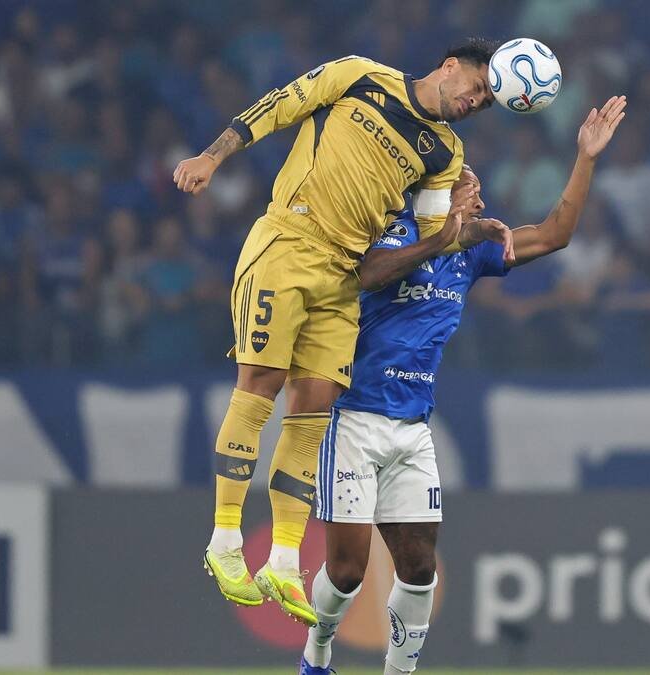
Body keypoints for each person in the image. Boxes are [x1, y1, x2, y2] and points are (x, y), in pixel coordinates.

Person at [173, 39, 507, 625]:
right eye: (476, 86)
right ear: (449, 65)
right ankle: (224, 541)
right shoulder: (361, 75)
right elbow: (278, 106)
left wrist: (462, 231)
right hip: (288, 243)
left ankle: (281, 561)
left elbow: (429, 238)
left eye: (483, 102)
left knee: (315, 408)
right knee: (261, 382)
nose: (475, 101)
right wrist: (211, 157)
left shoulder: (445, 153)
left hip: (346, 277)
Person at [301, 97, 626, 675]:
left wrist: (585, 158)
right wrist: (438, 239)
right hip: (353, 419)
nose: (477, 197)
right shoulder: (387, 231)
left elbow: (554, 235)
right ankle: (316, 656)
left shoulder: (473, 254)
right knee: (348, 572)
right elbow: (367, 275)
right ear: (435, 193)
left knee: (420, 566)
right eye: (466, 187)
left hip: (413, 429)